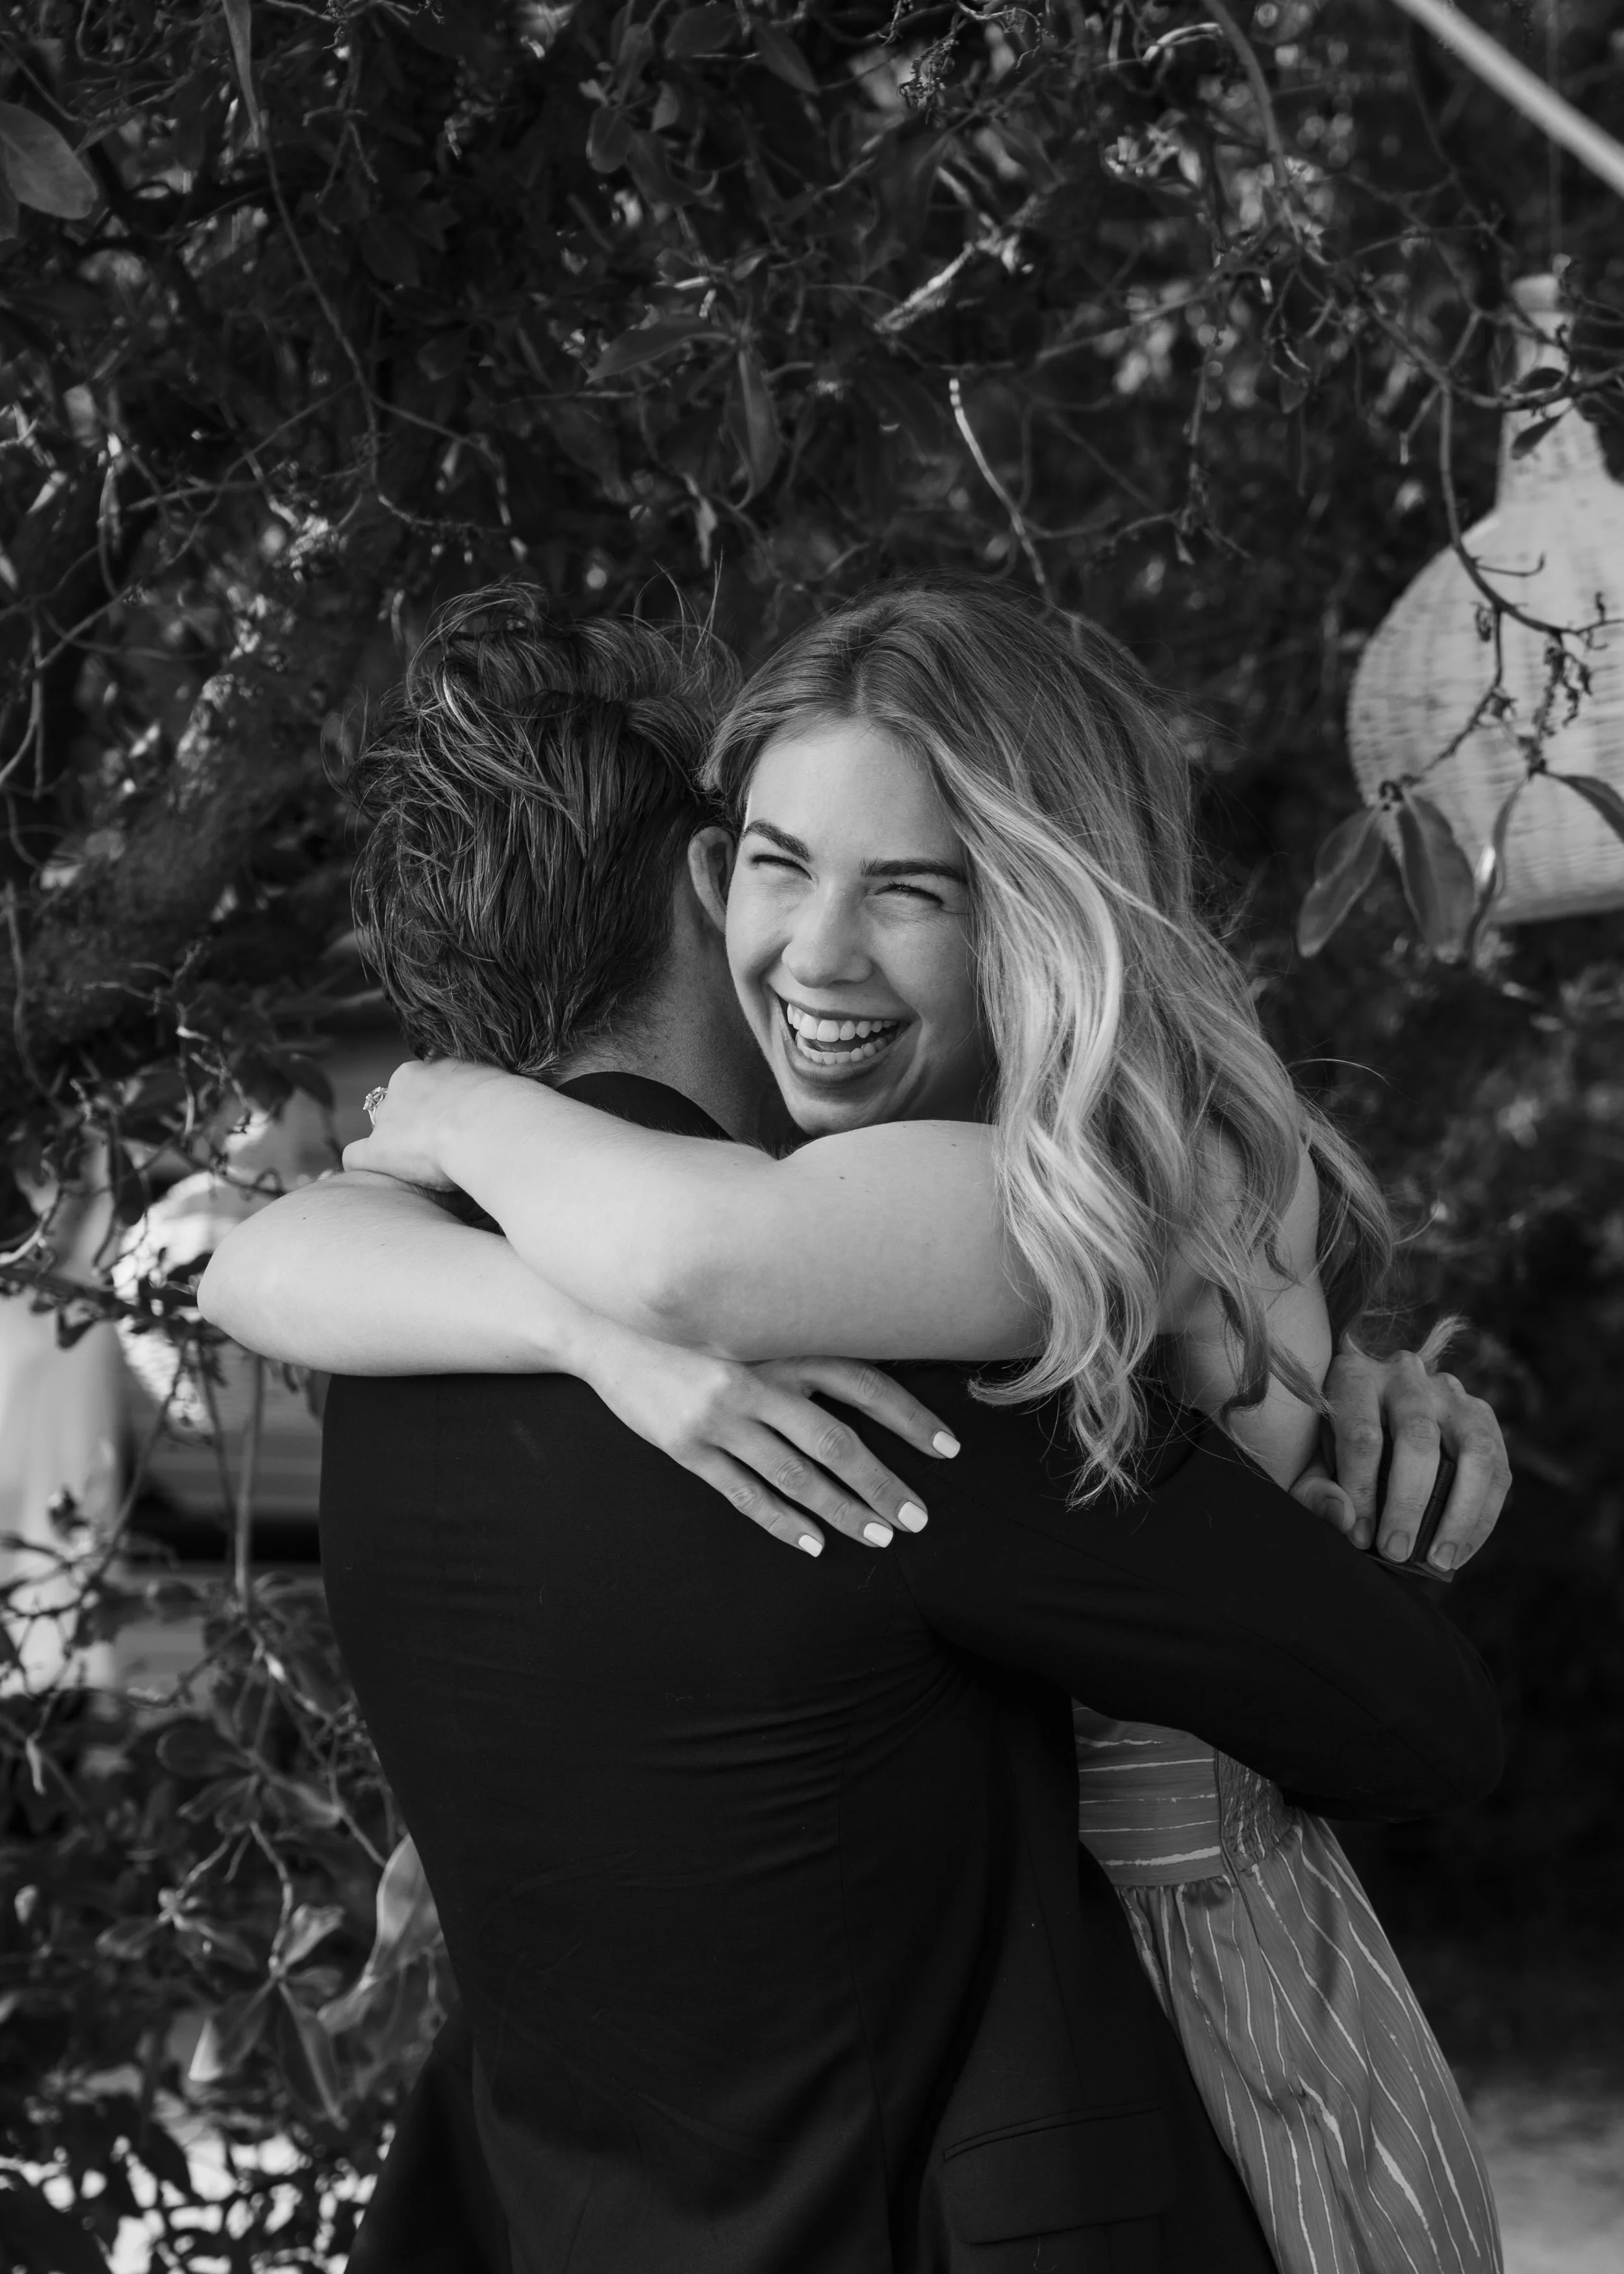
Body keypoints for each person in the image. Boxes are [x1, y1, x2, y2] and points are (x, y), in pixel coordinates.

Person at [202, 585, 1506, 2274]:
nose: (815, 957)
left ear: (1031, 903)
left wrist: (461, 1112)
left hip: (1102, 2038)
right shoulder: (848, 1295)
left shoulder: (1026, 1196)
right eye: (775, 862)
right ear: (704, 879)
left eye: (909, 888)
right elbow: (278, 1259)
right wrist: (576, 1326)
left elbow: (680, 1263)